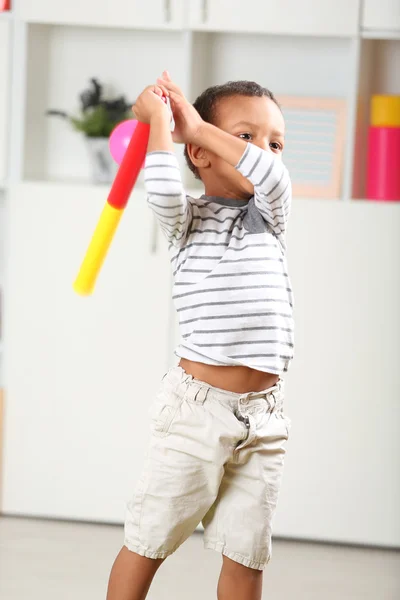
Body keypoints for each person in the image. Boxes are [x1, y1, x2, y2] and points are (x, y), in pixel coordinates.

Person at [106, 71, 293, 600]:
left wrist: (197, 126)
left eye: (274, 142)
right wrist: (166, 125)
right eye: (245, 136)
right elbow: (163, 186)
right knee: (149, 541)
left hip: (264, 418)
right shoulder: (186, 222)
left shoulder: (270, 216)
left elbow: (274, 180)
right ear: (200, 155)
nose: (264, 152)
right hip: (196, 413)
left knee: (246, 554)